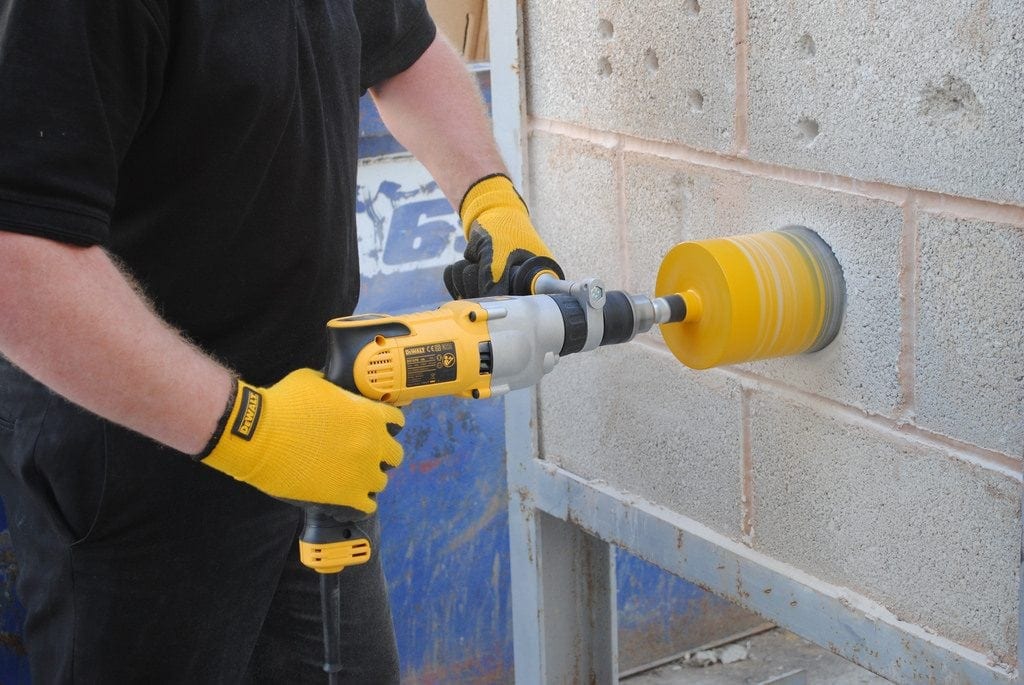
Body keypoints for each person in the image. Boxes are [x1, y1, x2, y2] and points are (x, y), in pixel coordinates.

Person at [0, 1, 558, 681]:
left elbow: (404, 52)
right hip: (141, 475)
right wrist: (251, 431)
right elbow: (18, 265)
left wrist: (489, 199)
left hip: (315, 441)